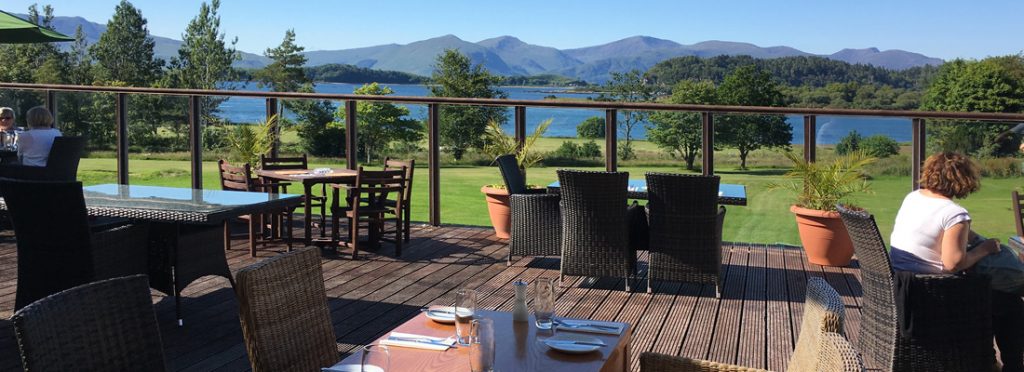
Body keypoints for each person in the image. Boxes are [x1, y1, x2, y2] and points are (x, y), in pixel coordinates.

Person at [890, 151, 1023, 372]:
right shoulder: (953, 213)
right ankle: (1009, 366)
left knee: (1001, 295)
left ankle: (989, 360)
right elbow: (954, 263)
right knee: (1010, 303)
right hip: (935, 297)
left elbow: (936, 232)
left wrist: (971, 237)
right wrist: (984, 248)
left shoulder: (914, 197)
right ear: (964, 179)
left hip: (905, 286)